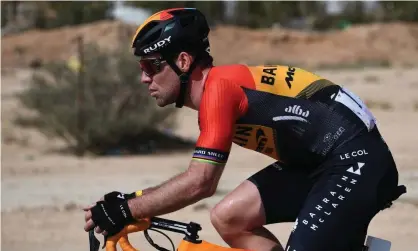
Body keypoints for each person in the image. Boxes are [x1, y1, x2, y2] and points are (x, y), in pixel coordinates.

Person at [83, 8, 406, 251]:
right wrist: (129, 201)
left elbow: (200, 183)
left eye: (152, 66)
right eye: (141, 68)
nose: (144, 78)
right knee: (230, 217)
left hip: (356, 162)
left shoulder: (220, 90)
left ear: (182, 61)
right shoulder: (215, 96)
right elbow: (197, 181)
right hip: (317, 164)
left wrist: (127, 209)